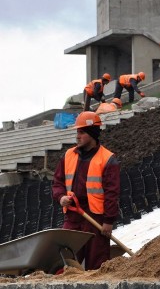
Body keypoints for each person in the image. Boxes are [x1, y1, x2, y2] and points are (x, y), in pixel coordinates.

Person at [51, 111, 120, 270]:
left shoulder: (108, 159)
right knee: (64, 263)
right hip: (73, 216)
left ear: (92, 133)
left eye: (81, 132)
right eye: (77, 132)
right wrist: (61, 197)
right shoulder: (69, 155)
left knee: (97, 265)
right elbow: (58, 182)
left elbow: (112, 193)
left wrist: (108, 221)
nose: (77, 136)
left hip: (95, 219)